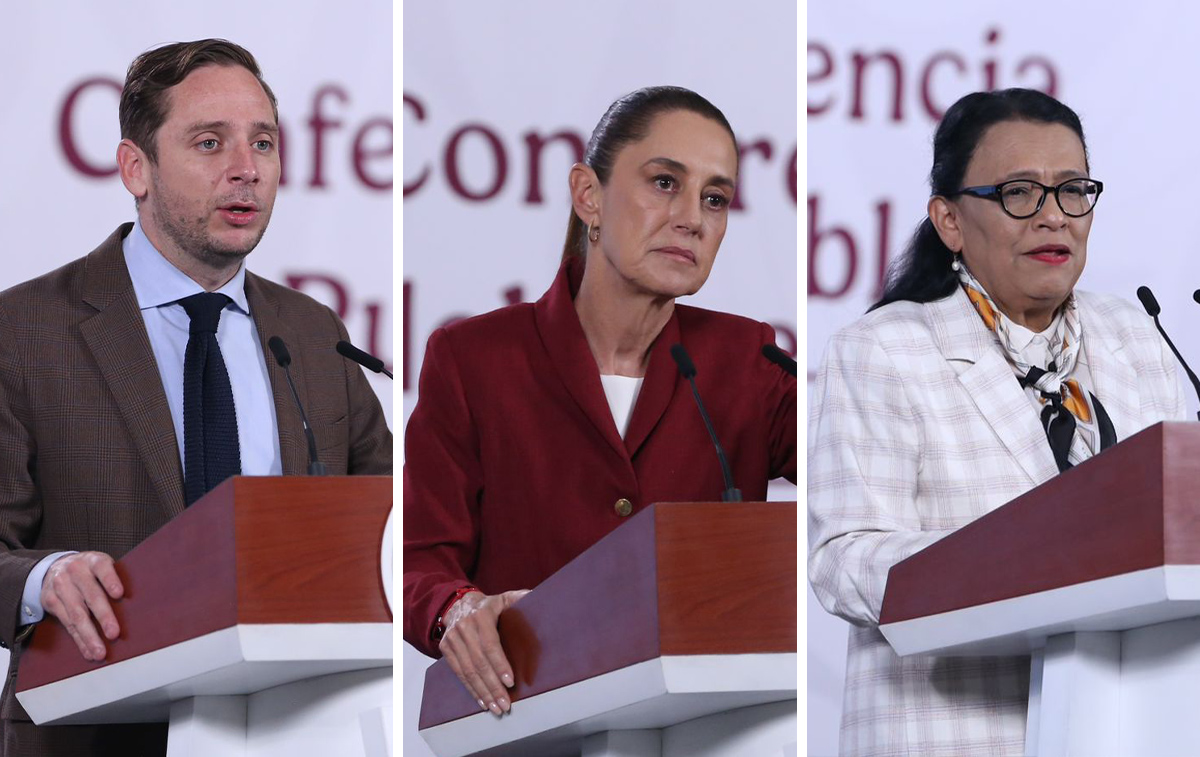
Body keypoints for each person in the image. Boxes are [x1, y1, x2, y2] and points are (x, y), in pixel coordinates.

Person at [0, 39, 392, 756]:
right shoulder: (24, 330)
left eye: (264, 143)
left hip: (298, 728)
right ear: (135, 168)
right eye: (210, 143)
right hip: (98, 734)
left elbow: (387, 525)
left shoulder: (311, 334)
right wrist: (46, 578)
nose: (246, 169)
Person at [808, 87, 1187, 756]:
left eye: (1073, 191)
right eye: (1020, 193)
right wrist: (1015, 553)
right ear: (950, 220)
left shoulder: (1137, 338)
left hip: (1128, 722)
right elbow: (843, 561)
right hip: (957, 727)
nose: (1054, 218)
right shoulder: (885, 348)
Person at [403, 86, 796, 717]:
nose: (693, 217)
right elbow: (419, 560)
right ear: (588, 194)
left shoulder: (745, 360)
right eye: (665, 182)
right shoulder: (473, 358)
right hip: (527, 720)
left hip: (698, 722)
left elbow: (858, 460)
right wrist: (456, 609)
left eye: (715, 198)